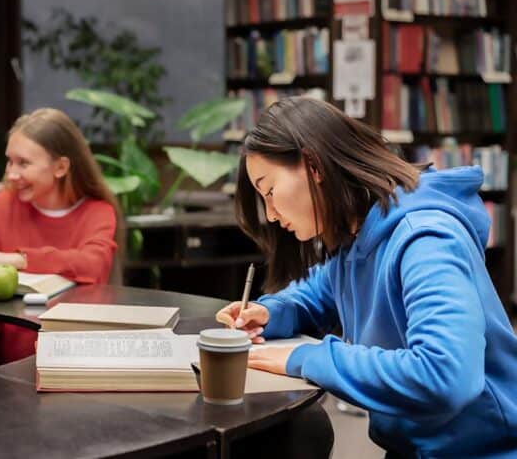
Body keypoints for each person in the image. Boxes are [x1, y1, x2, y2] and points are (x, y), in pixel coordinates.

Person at [216, 97, 517, 457]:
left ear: (313, 166)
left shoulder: (424, 239)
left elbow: (446, 376)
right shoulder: (356, 238)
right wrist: (271, 312)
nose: (271, 213)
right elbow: (314, 295)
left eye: (269, 191)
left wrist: (308, 357)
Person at [0, 107, 121, 362]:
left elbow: (93, 264)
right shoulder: (2, 205)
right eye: (10, 161)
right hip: (5, 361)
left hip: (81, 355)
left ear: (60, 167)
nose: (11, 174)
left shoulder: (97, 212)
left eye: (24, 163)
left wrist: (15, 259)